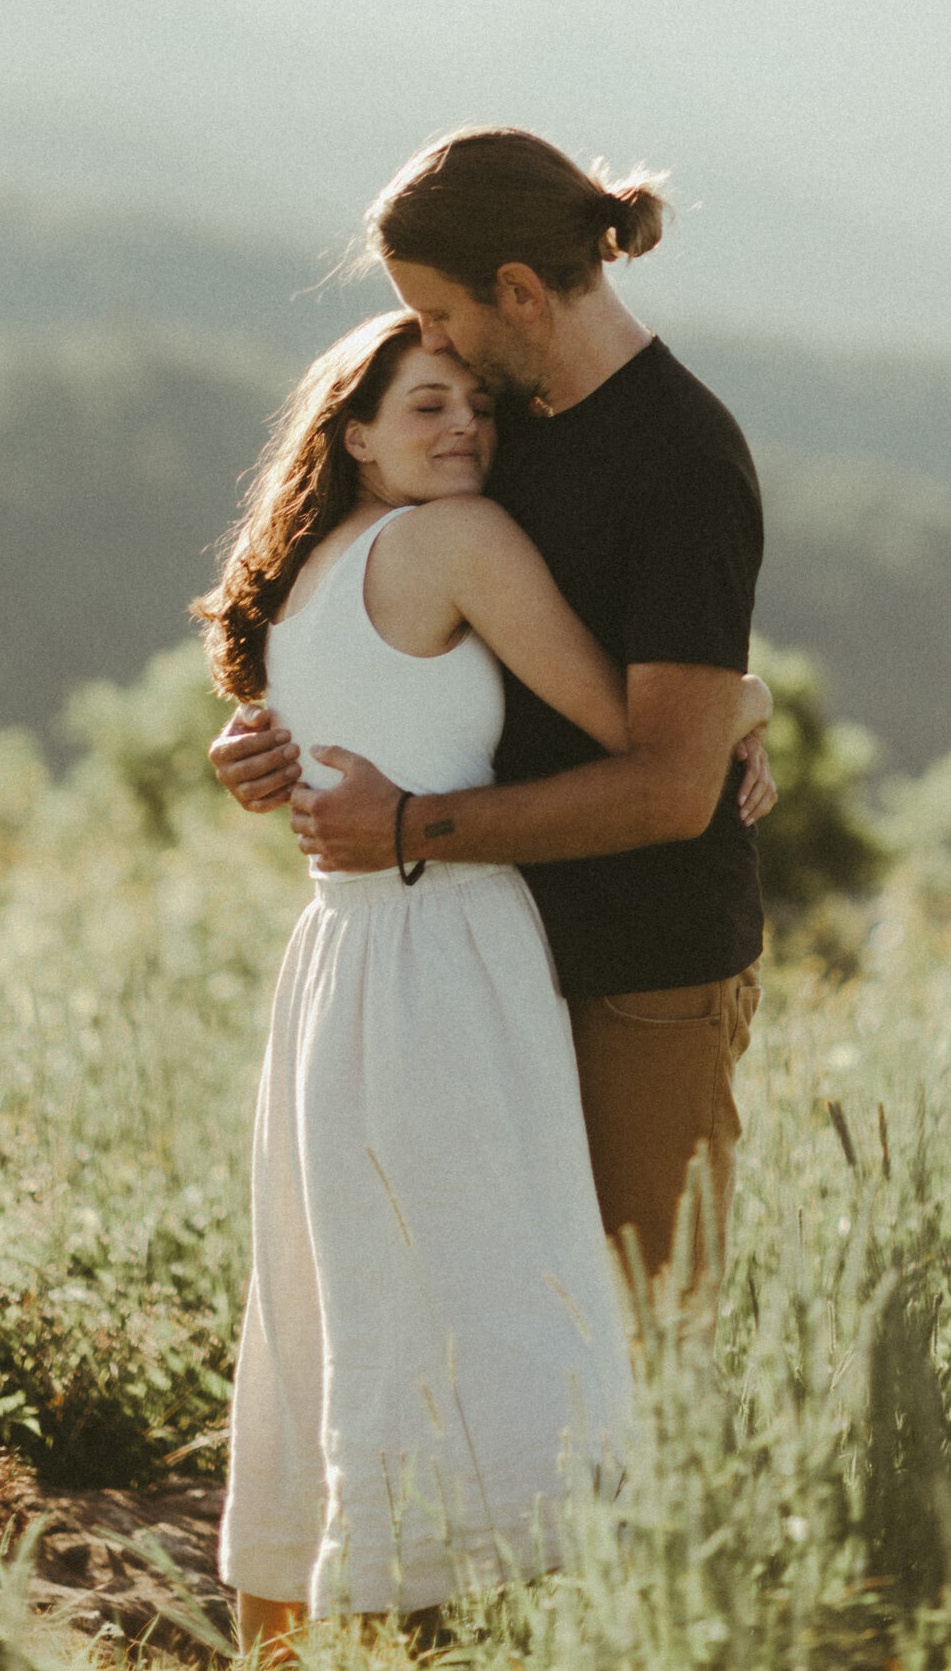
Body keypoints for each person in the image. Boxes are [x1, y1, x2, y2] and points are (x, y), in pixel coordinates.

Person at [194, 307, 774, 1658]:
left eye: (476, 405)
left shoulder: (308, 572)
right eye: (425, 406)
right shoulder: (460, 539)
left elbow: (302, 745)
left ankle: (325, 1610)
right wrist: (743, 705)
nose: (465, 427)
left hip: (337, 961)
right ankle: (527, 1611)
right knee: (507, 1292)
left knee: (353, 1291)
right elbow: (631, 728)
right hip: (443, 946)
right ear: (353, 433)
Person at [213, 125, 769, 1319]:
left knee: (643, 1337)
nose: (436, 344)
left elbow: (673, 788)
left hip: (642, 966)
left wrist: (410, 824)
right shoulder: (502, 433)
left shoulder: (681, 458)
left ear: (517, 291)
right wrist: (278, 728)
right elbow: (415, 629)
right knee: (505, 1327)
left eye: (444, 315)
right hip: (491, 966)